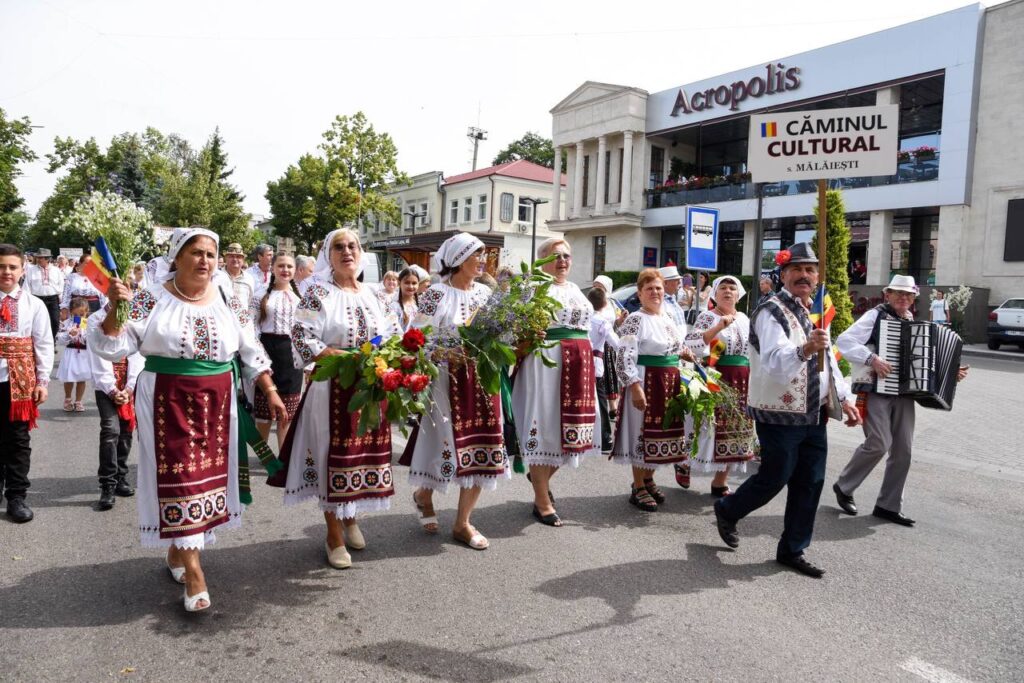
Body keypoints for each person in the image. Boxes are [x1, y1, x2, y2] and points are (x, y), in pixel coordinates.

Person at [92, 227, 284, 612]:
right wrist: (117, 306)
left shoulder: (227, 296)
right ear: (176, 257)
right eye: (196, 253)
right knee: (179, 477)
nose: (205, 261)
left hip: (218, 399)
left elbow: (249, 346)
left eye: (211, 255)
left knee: (207, 476)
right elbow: (112, 346)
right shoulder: (148, 298)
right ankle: (195, 572)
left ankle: (180, 552)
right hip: (168, 397)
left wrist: (270, 391)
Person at [713, 242, 861, 578]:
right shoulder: (771, 310)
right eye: (796, 270)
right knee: (775, 477)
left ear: (817, 276)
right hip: (778, 413)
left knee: (810, 482)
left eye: (810, 270)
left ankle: (793, 548)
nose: (804, 276)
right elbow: (776, 363)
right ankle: (728, 508)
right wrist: (807, 347)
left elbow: (829, 363)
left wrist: (845, 396)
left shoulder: (813, 312)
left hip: (813, 413)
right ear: (783, 275)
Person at [268, 229, 399, 569]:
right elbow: (302, 335)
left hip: (369, 384)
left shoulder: (375, 294)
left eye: (352, 246)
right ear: (328, 255)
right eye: (338, 247)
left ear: (361, 252)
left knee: (360, 451)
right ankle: (332, 532)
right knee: (332, 454)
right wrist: (342, 356)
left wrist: (379, 353)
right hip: (331, 387)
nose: (347, 252)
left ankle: (351, 516)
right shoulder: (316, 294)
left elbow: (392, 330)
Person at [833, 275, 968, 527]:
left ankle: (888, 505)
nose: (903, 298)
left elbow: (924, 364)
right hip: (875, 389)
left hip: (904, 394)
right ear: (888, 295)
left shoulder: (913, 322)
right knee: (878, 443)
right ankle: (844, 485)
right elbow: (844, 341)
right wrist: (872, 358)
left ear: (914, 298)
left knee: (903, 450)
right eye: (898, 293)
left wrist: (949, 374)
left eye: (908, 295)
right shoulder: (875, 316)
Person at [400, 233, 506, 549]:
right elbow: (414, 338)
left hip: (483, 379)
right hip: (446, 379)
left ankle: (462, 523)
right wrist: (445, 353)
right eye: (478, 254)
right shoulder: (435, 294)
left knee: (482, 446)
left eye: (484, 254)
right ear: (459, 258)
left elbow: (501, 334)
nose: (483, 261)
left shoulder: (487, 294)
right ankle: (424, 494)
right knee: (442, 443)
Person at [512, 238, 601, 527]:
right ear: (541, 260)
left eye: (567, 256)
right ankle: (542, 500)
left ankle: (539, 480)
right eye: (556, 256)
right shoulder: (531, 289)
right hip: (546, 364)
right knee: (546, 427)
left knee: (572, 432)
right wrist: (526, 338)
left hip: (578, 365)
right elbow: (512, 330)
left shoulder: (575, 289)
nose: (563, 260)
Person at [612, 268, 696, 512]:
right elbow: (624, 355)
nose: (655, 292)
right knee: (642, 433)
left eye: (658, 288)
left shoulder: (666, 318)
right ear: (640, 294)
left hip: (668, 383)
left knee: (661, 432)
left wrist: (683, 353)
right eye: (649, 289)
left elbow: (672, 347)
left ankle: (648, 479)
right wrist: (634, 386)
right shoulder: (636, 319)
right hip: (646, 381)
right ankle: (638, 485)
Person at [684, 275, 756, 496]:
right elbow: (692, 345)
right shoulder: (708, 316)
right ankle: (684, 463)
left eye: (732, 288)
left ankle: (720, 481)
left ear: (738, 294)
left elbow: (755, 350)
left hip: (743, 378)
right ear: (714, 295)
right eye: (722, 288)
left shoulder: (745, 318)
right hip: (716, 375)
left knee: (735, 428)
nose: (727, 291)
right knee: (707, 425)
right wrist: (717, 327)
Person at [0, 244, 54, 524]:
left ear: (23, 270)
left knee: (18, 440)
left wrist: (43, 381)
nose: (6, 272)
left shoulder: (35, 304)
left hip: (20, 381)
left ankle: (17, 496)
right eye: (1, 266)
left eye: (12, 267)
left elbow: (44, 344)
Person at [88, 314, 143, 510]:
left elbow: (137, 357)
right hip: (105, 387)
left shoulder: (133, 317)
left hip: (129, 384)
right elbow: (98, 357)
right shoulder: (96, 319)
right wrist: (112, 390)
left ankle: (120, 475)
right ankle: (107, 484)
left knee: (126, 430)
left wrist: (129, 388)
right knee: (111, 430)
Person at [251, 253, 303, 449]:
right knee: (264, 413)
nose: (285, 270)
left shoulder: (299, 298)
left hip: (291, 356)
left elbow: (305, 329)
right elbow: (252, 326)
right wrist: (258, 354)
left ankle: (283, 459)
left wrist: (308, 360)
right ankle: (263, 454)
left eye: (289, 266)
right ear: (272, 268)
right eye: (281, 266)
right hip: (267, 351)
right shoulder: (260, 295)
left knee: (287, 412)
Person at [587, 287, 619, 453]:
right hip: (597, 364)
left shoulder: (584, 318)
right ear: (605, 303)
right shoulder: (602, 322)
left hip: (582, 362)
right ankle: (605, 438)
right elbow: (615, 343)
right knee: (601, 401)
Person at [56, 297, 92, 412]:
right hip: (71, 352)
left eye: (82, 314)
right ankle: (67, 398)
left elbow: (92, 339)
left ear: (86, 312)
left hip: (83, 353)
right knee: (69, 377)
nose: (79, 316)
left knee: (82, 378)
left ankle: (78, 401)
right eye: (76, 314)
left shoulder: (89, 324)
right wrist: (69, 334)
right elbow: (59, 339)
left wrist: (82, 334)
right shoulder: (67, 323)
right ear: (71, 312)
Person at [24, 247, 64, 342]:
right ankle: (38, 342)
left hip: (52, 299)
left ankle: (51, 341)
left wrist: (59, 296)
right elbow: (27, 285)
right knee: (38, 322)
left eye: (40, 258)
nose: (38, 259)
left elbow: (61, 284)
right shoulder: (31, 270)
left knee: (54, 321)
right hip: (37, 299)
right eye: (38, 257)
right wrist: (28, 300)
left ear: (47, 259)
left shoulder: (56, 270)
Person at [223, 242, 256, 308]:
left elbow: (249, 300)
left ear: (243, 260)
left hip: (240, 317)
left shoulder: (249, 279)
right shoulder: (217, 276)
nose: (235, 259)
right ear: (226, 258)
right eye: (231, 256)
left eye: (238, 257)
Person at [659, 265, 688, 332]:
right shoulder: (659, 302)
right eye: (676, 280)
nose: (679, 283)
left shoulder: (672, 298)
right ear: (665, 283)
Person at [391, 266, 420, 332]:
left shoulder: (419, 305)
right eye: (407, 283)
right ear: (399, 283)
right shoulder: (394, 307)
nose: (411, 286)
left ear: (418, 284)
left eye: (414, 283)